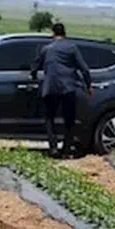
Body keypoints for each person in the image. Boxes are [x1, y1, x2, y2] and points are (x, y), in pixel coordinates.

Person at [32, 22, 92, 158]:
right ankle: (66, 149)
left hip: (51, 87)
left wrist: (34, 76)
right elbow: (84, 69)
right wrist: (88, 86)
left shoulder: (46, 49)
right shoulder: (72, 48)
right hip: (68, 88)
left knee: (49, 118)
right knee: (69, 120)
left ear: (53, 33)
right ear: (65, 33)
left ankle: (53, 147)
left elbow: (35, 67)